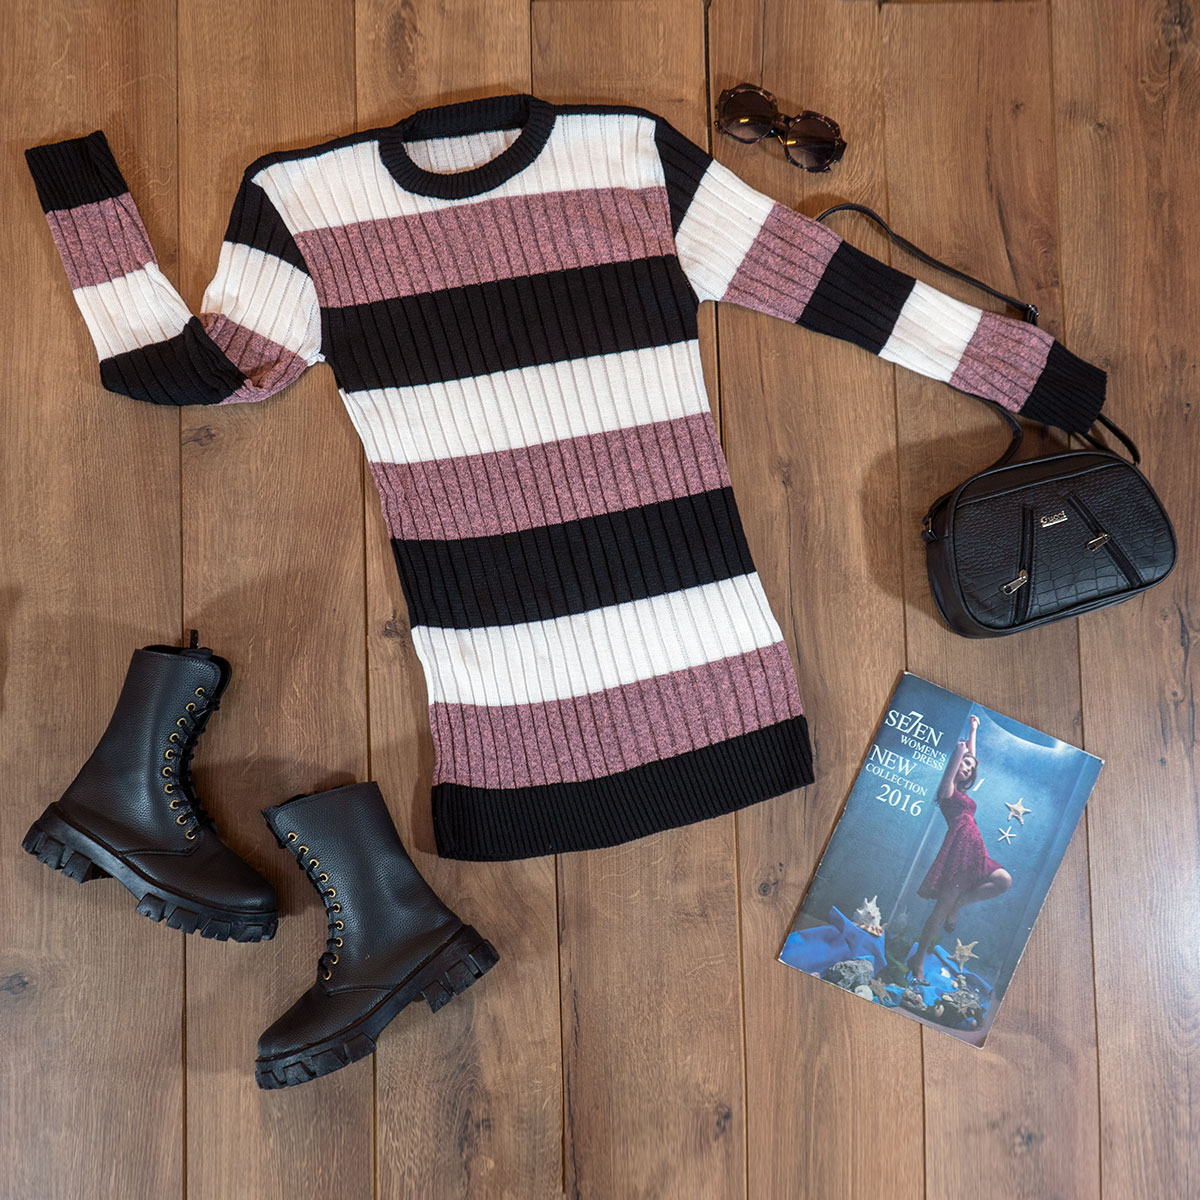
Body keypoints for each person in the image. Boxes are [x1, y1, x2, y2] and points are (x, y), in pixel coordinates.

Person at [906, 715, 1012, 984]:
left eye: (971, 768)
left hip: (976, 853)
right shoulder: (947, 792)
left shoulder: (963, 793)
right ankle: (918, 960)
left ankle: (960, 904)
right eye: (964, 764)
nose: (968, 769)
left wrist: (974, 730)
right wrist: (960, 751)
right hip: (957, 855)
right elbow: (958, 760)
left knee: (1003, 880)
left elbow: (970, 758)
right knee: (939, 911)